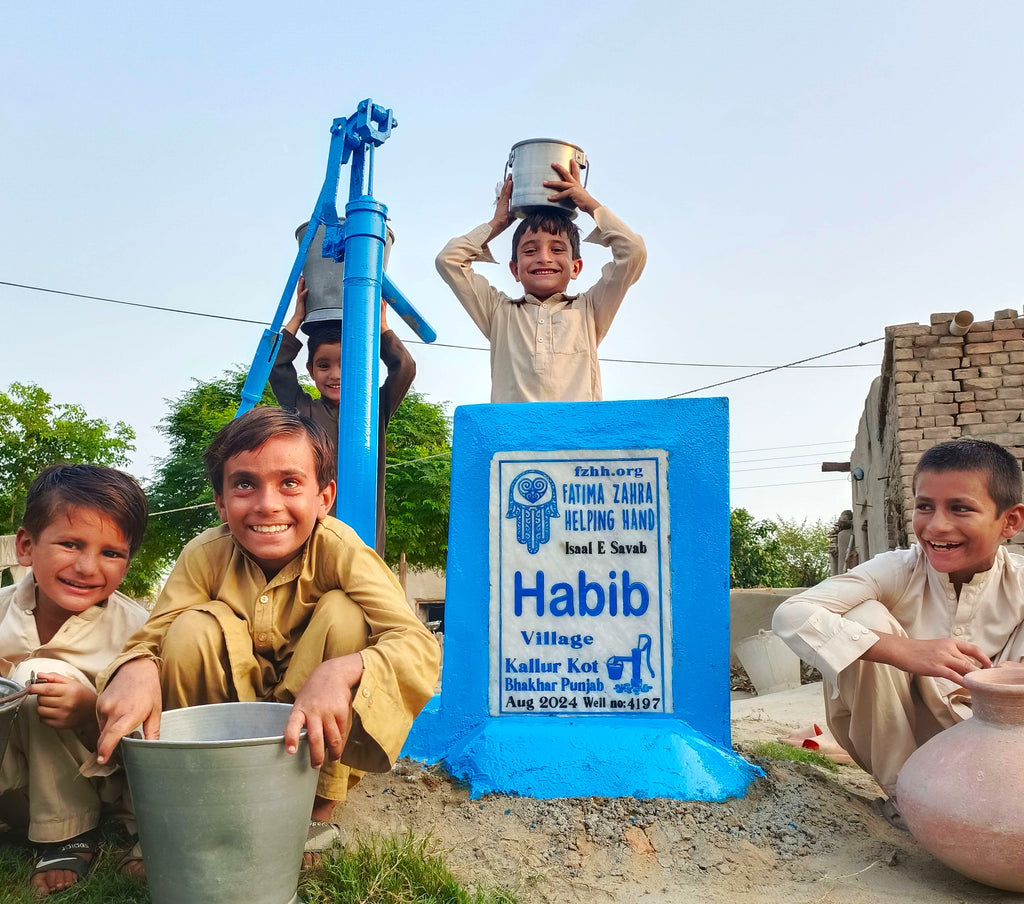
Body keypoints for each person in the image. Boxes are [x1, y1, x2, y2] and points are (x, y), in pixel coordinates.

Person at [94, 407, 440, 867]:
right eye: (244, 484)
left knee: (345, 615)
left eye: (290, 483)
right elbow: (152, 636)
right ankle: (202, 801)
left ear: (325, 497)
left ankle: (316, 807)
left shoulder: (341, 549)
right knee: (191, 627)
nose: (267, 504)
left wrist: (343, 669)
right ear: (220, 501)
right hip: (229, 723)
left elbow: (415, 642)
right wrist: (137, 665)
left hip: (311, 716)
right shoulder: (204, 555)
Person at [772, 439, 1024, 829]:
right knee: (860, 614)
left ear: (1010, 521)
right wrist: (901, 650)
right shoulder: (898, 570)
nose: (937, 526)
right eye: (925, 506)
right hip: (907, 746)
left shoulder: (1020, 584)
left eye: (960, 508)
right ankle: (906, 798)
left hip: (1000, 756)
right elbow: (791, 614)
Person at [0, 465, 148, 896]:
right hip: (15, 783)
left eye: (111, 553)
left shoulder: (137, 632)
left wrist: (88, 711)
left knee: (36, 679)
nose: (87, 567)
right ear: (27, 546)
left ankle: (67, 835)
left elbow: (146, 736)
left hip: (96, 782)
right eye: (70, 544)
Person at [436, 160, 646, 403]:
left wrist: (589, 205)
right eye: (529, 251)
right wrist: (498, 223)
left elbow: (633, 252)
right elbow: (448, 260)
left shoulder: (590, 310)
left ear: (576, 267)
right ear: (514, 269)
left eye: (557, 250)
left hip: (577, 439)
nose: (543, 258)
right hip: (514, 439)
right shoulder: (498, 313)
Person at [269, 276, 415, 557]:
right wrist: (298, 318)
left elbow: (405, 368)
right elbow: (276, 366)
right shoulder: (303, 410)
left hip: (363, 533)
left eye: (345, 363)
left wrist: (382, 328)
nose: (335, 374)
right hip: (314, 533)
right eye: (324, 365)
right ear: (311, 370)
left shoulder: (376, 408)